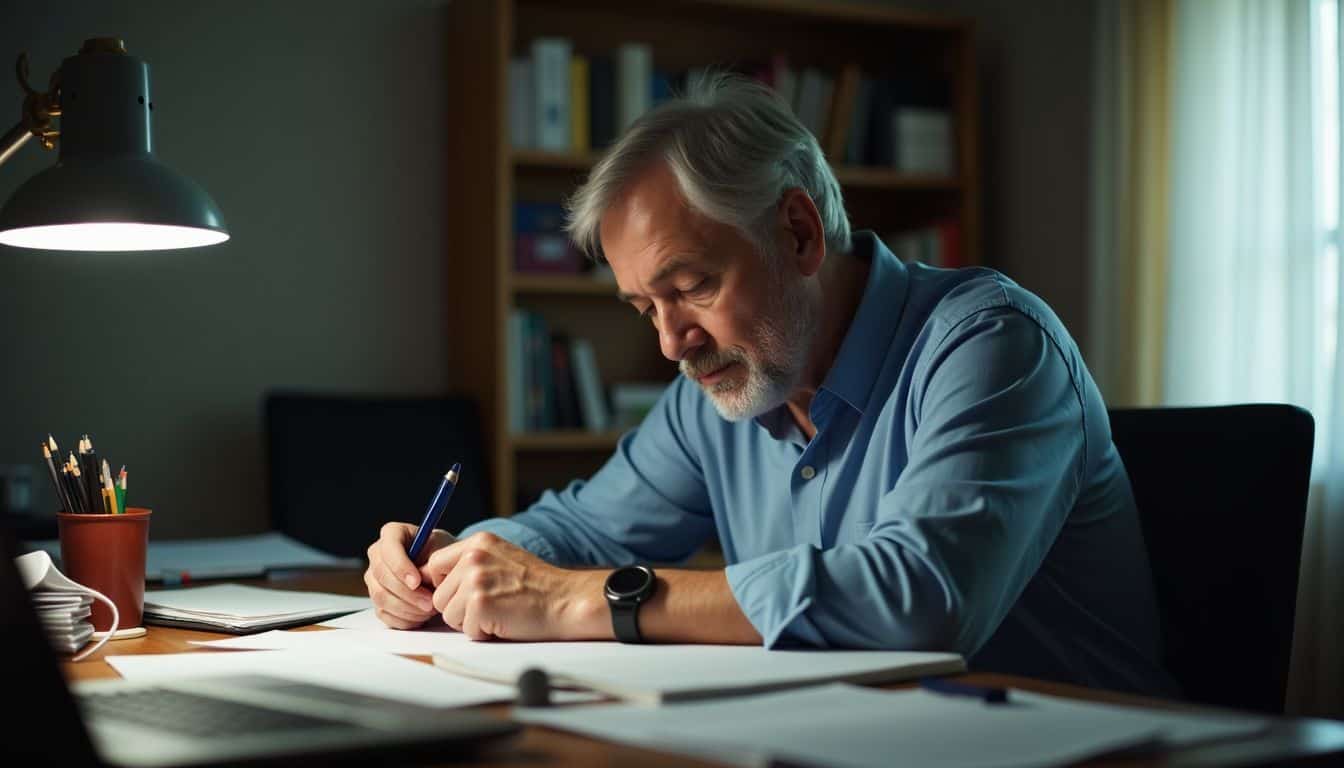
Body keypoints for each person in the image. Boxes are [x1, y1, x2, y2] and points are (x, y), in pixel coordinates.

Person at [365, 73, 1173, 695]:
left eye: (691, 287)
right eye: (646, 305)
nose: (671, 341)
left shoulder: (992, 345)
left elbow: (924, 599)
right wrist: (455, 563)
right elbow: (580, 533)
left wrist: (587, 599)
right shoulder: (718, 387)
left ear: (798, 232)